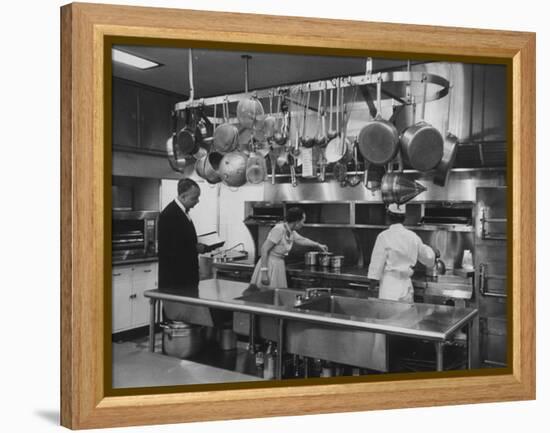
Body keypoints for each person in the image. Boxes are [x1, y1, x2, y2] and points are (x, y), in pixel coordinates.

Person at [158, 178, 212, 321]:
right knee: (174, 319)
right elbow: (171, 249)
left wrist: (196, 247)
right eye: (195, 198)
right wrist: (195, 248)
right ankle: (172, 343)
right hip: (175, 279)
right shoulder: (169, 215)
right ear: (182, 196)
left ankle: (186, 342)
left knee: (185, 318)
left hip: (185, 278)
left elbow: (181, 240)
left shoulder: (182, 213)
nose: (198, 201)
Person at [367, 203, 436, 303]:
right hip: (406, 288)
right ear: (404, 218)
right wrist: (433, 251)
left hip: (389, 288)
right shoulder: (412, 236)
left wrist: (371, 287)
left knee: (389, 317)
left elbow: (376, 265)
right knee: (406, 317)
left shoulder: (383, 236)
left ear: (388, 217)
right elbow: (428, 258)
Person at [250, 207, 328, 289]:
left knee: (277, 295)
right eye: (303, 221)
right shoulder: (279, 229)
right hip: (269, 264)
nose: (303, 224)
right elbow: (264, 249)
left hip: (279, 264)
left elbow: (302, 240)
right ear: (297, 221)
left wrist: (318, 245)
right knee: (267, 295)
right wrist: (264, 273)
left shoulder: (291, 231)